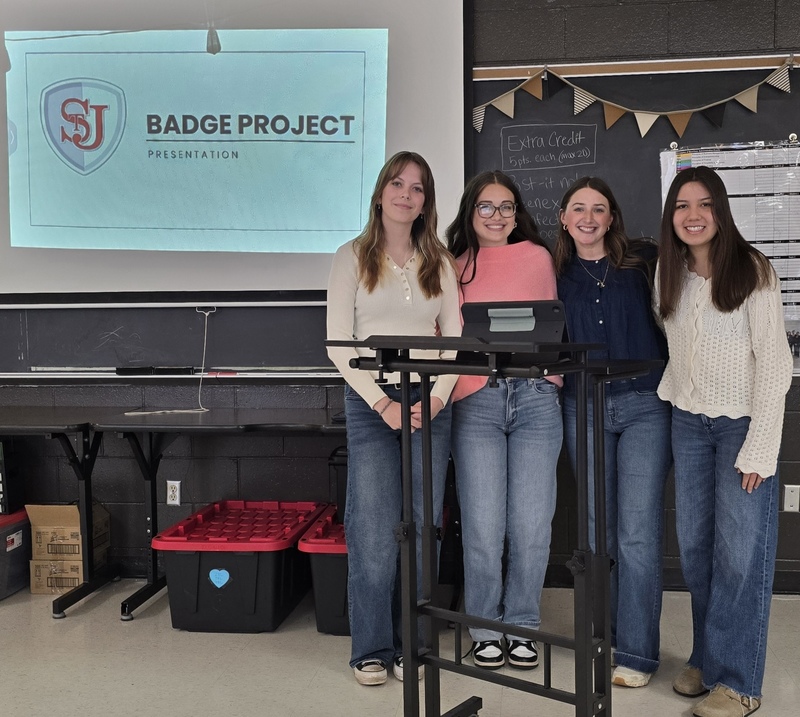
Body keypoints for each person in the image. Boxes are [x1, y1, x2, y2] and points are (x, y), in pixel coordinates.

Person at [656, 166, 792, 717]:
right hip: (688, 424)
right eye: (683, 205)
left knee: (740, 556)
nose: (693, 215)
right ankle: (709, 660)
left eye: (705, 204)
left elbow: (776, 365)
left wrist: (760, 447)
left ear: (721, 211)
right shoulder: (669, 272)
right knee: (696, 550)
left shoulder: (754, 269)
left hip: (741, 425)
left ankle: (739, 683)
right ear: (672, 217)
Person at [326, 151, 460, 686]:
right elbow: (338, 343)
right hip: (371, 402)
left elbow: (454, 341)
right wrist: (381, 402)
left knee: (424, 528)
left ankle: (416, 646)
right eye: (398, 185)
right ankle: (373, 648)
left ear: (427, 201)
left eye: (419, 188)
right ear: (381, 193)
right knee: (374, 531)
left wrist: (439, 398)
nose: (408, 195)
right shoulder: (351, 256)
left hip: (433, 403)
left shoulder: (440, 261)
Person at [554, 176, 671, 688]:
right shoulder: (553, 275)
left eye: (598, 208)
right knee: (597, 530)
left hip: (646, 403)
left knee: (638, 533)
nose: (588, 217)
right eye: (578, 208)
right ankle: (606, 635)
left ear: (612, 217)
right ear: (563, 217)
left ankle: (638, 654)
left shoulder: (643, 263)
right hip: (583, 408)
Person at [445, 170, 562, 671]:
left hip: (536, 399)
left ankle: (522, 626)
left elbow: (553, 326)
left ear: (518, 213)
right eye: (486, 207)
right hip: (478, 400)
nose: (497, 216)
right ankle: (485, 628)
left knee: (532, 526)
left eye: (507, 206)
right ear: (471, 213)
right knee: (483, 527)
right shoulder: (455, 266)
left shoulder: (539, 256)